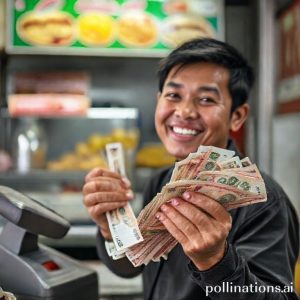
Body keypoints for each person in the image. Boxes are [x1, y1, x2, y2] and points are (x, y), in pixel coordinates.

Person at [82, 38, 299, 299]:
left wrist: (216, 263)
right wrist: (111, 229)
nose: (184, 111)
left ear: (237, 116)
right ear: (158, 100)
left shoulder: (265, 203)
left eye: (206, 99)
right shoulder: (161, 181)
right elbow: (133, 265)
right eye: (173, 95)